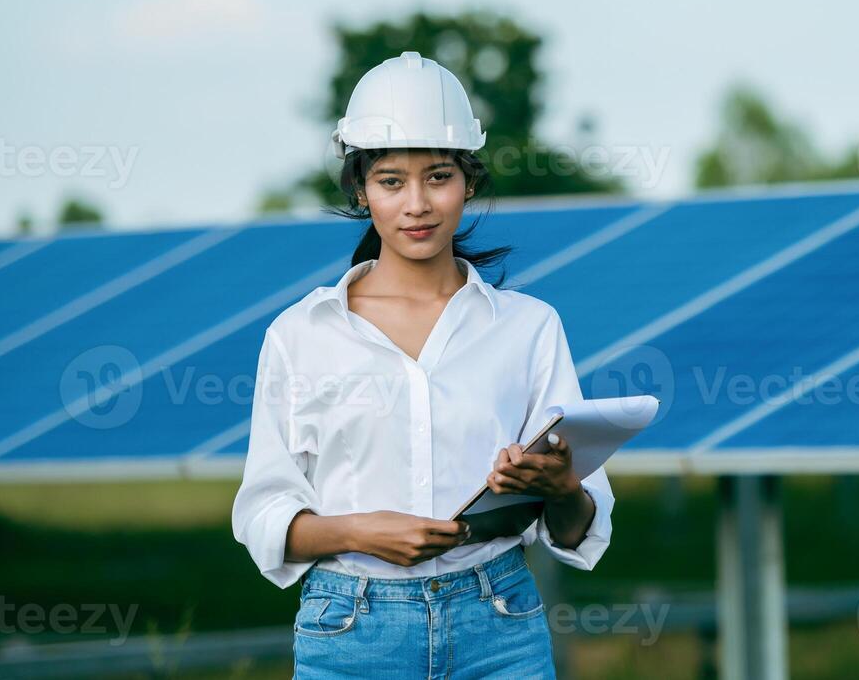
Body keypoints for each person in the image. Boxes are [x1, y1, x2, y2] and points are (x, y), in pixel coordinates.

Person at [231, 51, 614, 679]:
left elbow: (576, 530)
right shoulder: (301, 335)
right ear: (360, 188)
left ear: (470, 181)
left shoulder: (528, 327)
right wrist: (359, 531)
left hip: (500, 626)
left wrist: (561, 486)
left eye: (438, 177)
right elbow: (263, 518)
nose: (417, 204)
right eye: (390, 181)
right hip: (351, 632)